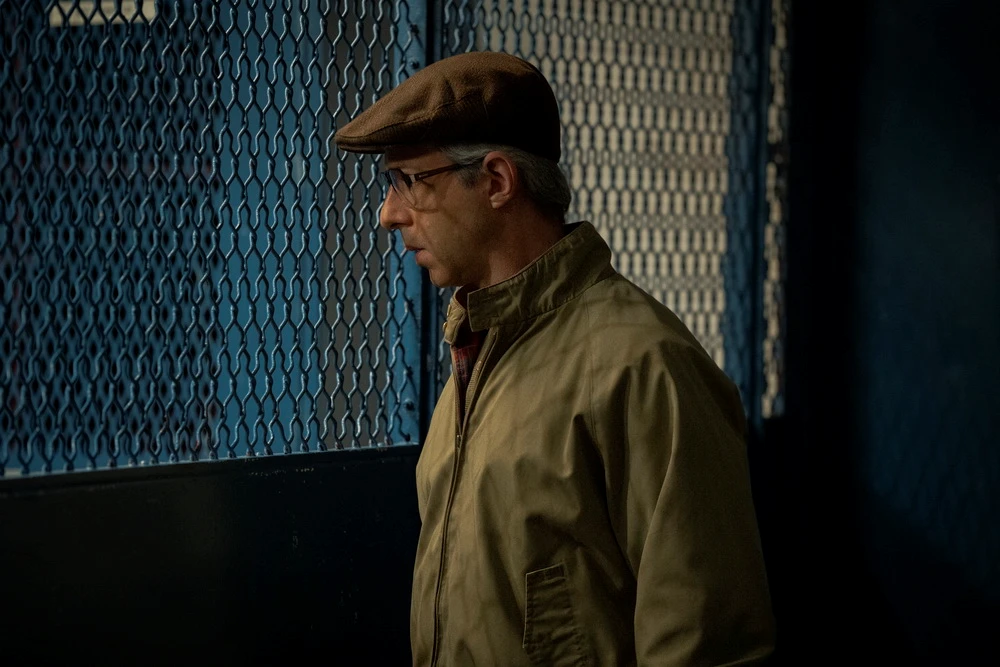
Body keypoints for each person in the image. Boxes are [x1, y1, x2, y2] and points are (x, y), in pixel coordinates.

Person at [335, 51, 775, 666]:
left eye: (410, 181)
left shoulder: (644, 365)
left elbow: (708, 643)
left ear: (497, 181)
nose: (388, 214)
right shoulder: (478, 344)